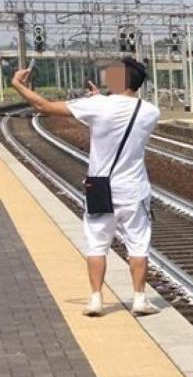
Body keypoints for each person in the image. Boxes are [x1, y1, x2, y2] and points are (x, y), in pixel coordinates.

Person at [12, 57, 161, 317]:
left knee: (96, 244)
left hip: (99, 187)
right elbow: (117, 123)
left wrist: (18, 85)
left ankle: (95, 300)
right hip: (134, 190)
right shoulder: (150, 111)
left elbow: (43, 105)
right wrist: (97, 101)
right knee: (138, 245)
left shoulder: (96, 106)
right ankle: (139, 299)